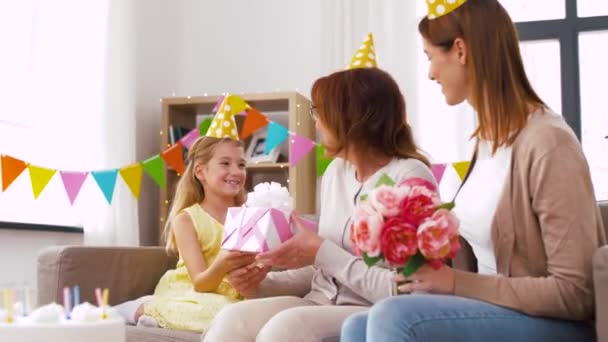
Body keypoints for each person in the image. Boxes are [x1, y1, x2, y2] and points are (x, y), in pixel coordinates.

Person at [340, 0, 606, 341]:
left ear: (460, 50)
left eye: (430, 56)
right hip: (495, 312)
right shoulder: (485, 142)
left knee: (393, 317)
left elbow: (576, 292)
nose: (430, 73)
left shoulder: (548, 143)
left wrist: (454, 284)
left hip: (555, 325)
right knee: (356, 326)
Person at [202, 66, 437, 342]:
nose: (316, 123)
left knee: (284, 329)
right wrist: (261, 283)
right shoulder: (335, 173)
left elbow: (410, 289)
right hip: (319, 301)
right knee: (231, 320)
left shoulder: (410, 177)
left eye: (320, 112)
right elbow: (322, 270)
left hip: (372, 310)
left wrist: (321, 251)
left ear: (352, 118)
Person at [115, 136, 259, 332]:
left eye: (241, 165)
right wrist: (223, 264)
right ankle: (142, 309)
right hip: (192, 292)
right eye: (225, 163)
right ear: (200, 172)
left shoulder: (250, 215)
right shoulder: (186, 220)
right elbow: (200, 283)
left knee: (249, 312)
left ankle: (161, 319)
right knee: (226, 314)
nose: (236, 171)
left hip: (234, 295)